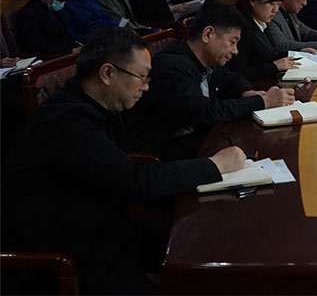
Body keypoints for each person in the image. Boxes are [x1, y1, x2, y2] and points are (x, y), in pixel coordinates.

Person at [1, 27, 246, 294]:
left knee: (207, 238)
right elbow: (136, 181)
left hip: (105, 230)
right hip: (67, 257)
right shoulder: (66, 121)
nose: (146, 86)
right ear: (108, 73)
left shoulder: (95, 106)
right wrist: (214, 166)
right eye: (141, 76)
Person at [126, 3, 295, 159]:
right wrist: (261, 101)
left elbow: (231, 78)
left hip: (199, 136)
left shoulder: (206, 59)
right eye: (232, 42)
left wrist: (248, 92)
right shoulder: (172, 66)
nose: (235, 51)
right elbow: (203, 112)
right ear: (208, 34)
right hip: (164, 150)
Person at [225, 0, 302, 82]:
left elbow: (269, 56)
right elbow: (239, 72)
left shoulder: (262, 22)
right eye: (271, 4)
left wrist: (299, 52)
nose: (275, 10)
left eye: (278, 4)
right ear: (253, 1)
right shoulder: (241, 28)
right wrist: (274, 66)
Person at [14, 0, 80, 56]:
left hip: (61, 49)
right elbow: (38, 45)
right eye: (61, 1)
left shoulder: (51, 9)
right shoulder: (29, 15)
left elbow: (63, 35)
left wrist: (77, 46)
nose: (63, 4)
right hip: (46, 55)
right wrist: (70, 51)